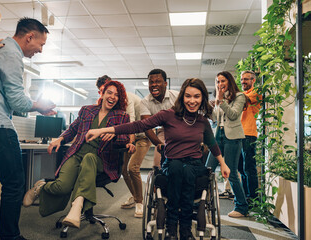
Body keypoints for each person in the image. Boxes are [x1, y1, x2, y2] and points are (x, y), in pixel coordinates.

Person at [86, 78, 230, 240]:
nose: (192, 101)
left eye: (196, 97)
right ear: (182, 97)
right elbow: (138, 126)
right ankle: (172, 227)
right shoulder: (168, 115)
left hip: (193, 164)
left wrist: (223, 164)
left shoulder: (202, 122)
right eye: (188, 96)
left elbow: (212, 144)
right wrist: (104, 130)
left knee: (188, 170)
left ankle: (184, 229)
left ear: (202, 98)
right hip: (172, 163)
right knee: (177, 168)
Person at [0, 18, 55, 240]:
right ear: (29, 37)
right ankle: (10, 236)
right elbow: (17, 101)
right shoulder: (11, 53)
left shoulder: (0, 50)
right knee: (14, 184)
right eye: (40, 44)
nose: (40, 50)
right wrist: (39, 106)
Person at [23, 81, 131, 230]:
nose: (113, 97)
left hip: (102, 160)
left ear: (120, 98)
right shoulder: (87, 110)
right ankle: (41, 187)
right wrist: (61, 138)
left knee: (90, 159)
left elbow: (125, 139)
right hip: (77, 154)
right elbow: (73, 129)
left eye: (117, 95)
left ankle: (76, 207)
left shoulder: (122, 116)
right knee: (63, 187)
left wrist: (113, 136)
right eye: (110, 93)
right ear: (103, 94)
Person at [96, 75, 150, 218]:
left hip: (143, 135)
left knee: (132, 168)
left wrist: (130, 143)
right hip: (128, 136)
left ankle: (140, 203)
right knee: (123, 171)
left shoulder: (126, 98)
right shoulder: (110, 103)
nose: (109, 96)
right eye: (102, 91)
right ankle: (136, 197)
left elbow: (130, 123)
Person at [206, 71, 249, 218]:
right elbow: (215, 118)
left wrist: (220, 101)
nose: (220, 84)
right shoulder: (220, 98)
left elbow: (233, 115)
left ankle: (241, 207)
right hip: (218, 135)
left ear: (229, 81)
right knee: (208, 169)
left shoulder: (239, 96)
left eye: (222, 81)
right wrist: (211, 107)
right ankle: (204, 201)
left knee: (231, 174)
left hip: (233, 137)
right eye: (217, 81)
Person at [140, 69, 179, 168]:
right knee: (157, 166)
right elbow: (146, 128)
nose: (154, 85)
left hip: (180, 129)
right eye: (151, 82)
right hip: (163, 131)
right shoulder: (145, 102)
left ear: (165, 83)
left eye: (157, 81)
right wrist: (160, 146)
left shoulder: (177, 96)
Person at [238, 70, 262, 200]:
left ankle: (253, 198)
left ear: (253, 80)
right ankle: (246, 196)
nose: (243, 82)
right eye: (242, 79)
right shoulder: (242, 94)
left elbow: (242, 100)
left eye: (246, 79)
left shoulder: (256, 92)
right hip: (238, 134)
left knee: (249, 168)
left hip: (249, 133)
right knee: (241, 168)